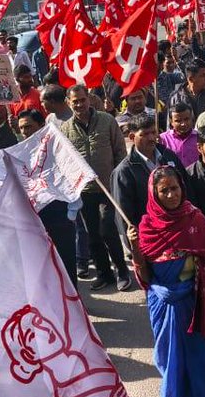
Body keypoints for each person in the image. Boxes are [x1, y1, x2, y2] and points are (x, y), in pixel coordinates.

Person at [128, 167, 205, 397]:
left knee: (202, 366)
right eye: (164, 191)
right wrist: (135, 248)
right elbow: (146, 279)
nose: (172, 195)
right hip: (164, 305)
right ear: (154, 194)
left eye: (175, 188)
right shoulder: (146, 228)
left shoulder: (195, 219)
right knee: (174, 365)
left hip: (197, 304)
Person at [61, 84, 131, 293]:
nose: (80, 104)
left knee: (107, 228)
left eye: (83, 100)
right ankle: (104, 274)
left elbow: (119, 151)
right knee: (93, 235)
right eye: (75, 102)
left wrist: (118, 179)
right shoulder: (65, 129)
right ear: (69, 103)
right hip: (84, 191)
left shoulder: (107, 120)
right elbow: (65, 161)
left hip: (108, 188)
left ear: (89, 99)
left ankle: (122, 271)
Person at [17, 110, 79, 287]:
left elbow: (72, 177)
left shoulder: (59, 149)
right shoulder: (20, 152)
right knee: (40, 264)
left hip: (61, 214)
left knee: (65, 261)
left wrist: (72, 212)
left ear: (41, 126)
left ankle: (74, 304)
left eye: (28, 127)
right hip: (35, 216)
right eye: (21, 128)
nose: (25, 132)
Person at [112, 115, 185, 242]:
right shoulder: (124, 171)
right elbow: (124, 216)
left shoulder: (168, 156)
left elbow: (186, 190)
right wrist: (135, 248)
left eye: (153, 132)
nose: (151, 138)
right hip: (150, 239)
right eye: (145, 134)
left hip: (178, 232)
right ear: (132, 137)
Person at [160, 102, 199, 167]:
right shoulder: (162, 139)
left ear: (192, 119)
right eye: (178, 121)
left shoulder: (200, 137)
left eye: (186, 119)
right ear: (171, 122)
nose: (183, 124)